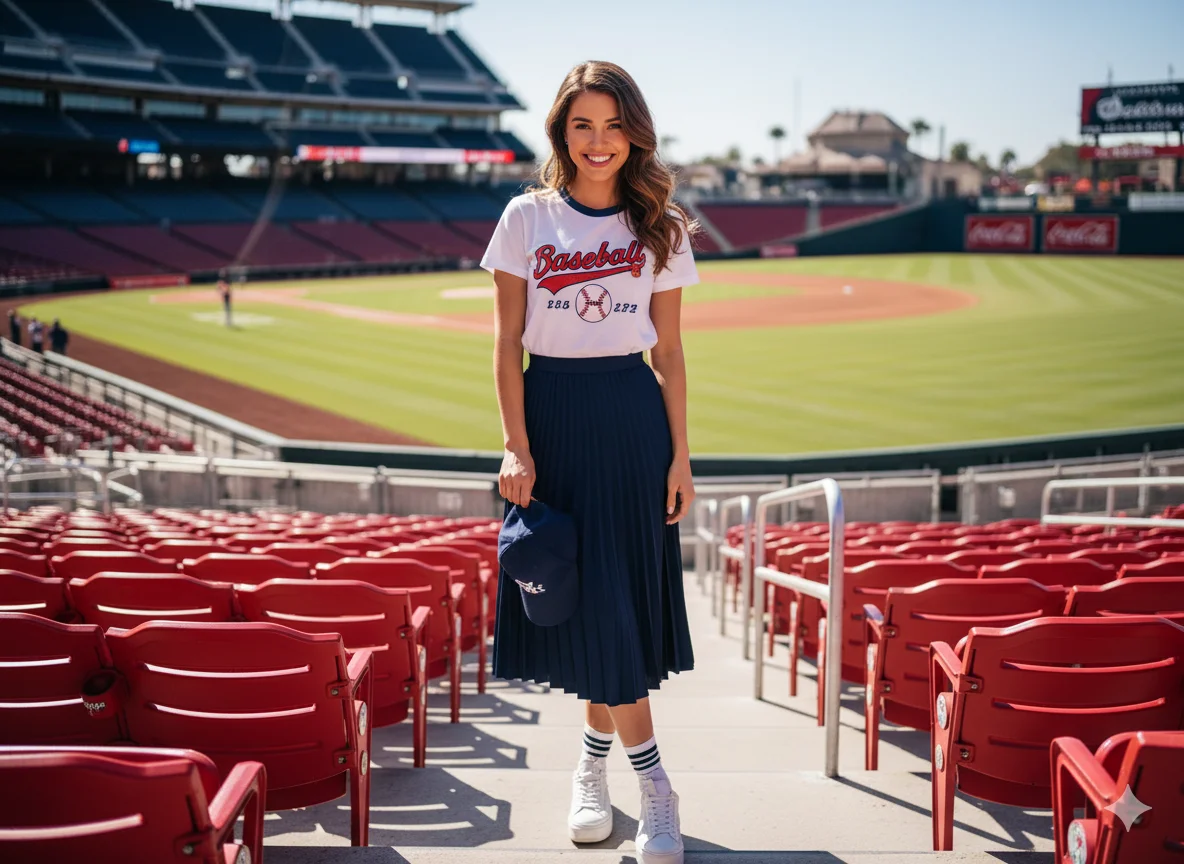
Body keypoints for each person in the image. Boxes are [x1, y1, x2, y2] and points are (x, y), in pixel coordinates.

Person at [482, 61, 699, 864]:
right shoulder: (526, 217)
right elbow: (507, 343)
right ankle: (596, 769)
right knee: (582, 605)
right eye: (582, 125)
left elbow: (670, 353)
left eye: (612, 125)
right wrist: (516, 443)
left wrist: (681, 455)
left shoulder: (662, 226)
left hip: (631, 421)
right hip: (551, 420)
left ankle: (651, 791)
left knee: (616, 610)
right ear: (561, 134)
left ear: (633, 131)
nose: (598, 141)